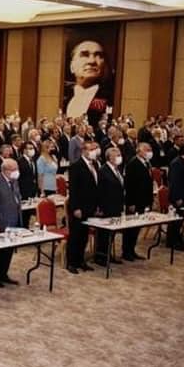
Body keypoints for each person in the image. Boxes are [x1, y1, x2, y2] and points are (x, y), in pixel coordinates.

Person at [67, 140, 101, 274]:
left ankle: (81, 260)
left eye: (94, 149)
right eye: (91, 149)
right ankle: (71, 262)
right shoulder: (76, 166)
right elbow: (73, 189)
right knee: (75, 235)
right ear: (83, 151)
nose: (94, 152)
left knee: (84, 236)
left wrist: (97, 205)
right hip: (79, 207)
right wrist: (76, 208)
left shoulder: (95, 165)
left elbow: (96, 186)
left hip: (91, 205)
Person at [0, 158, 21, 287]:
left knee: (9, 250)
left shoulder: (14, 180)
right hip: (1, 221)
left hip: (13, 219)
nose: (16, 171)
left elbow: (17, 197)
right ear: (6, 170)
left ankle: (3, 274)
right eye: (14, 169)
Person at [64, 39, 112, 124]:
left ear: (104, 66)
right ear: (72, 67)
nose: (92, 61)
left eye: (98, 55)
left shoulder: (112, 98)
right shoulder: (62, 97)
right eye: (84, 55)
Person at [122, 142, 153, 261]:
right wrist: (130, 203)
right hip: (134, 201)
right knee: (130, 228)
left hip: (143, 200)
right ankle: (126, 251)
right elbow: (129, 185)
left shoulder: (147, 163)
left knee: (137, 227)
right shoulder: (133, 164)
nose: (149, 152)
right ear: (139, 151)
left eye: (149, 150)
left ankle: (132, 249)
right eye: (147, 150)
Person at [95, 147, 126, 266]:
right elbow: (100, 190)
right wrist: (100, 207)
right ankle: (101, 256)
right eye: (117, 155)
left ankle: (108, 254)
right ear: (110, 157)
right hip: (106, 206)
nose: (119, 157)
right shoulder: (103, 170)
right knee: (104, 234)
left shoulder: (118, 169)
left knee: (112, 233)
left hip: (116, 205)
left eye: (119, 154)